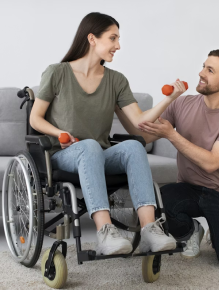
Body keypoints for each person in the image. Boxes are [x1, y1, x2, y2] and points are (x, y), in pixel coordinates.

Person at [30, 12, 186, 255]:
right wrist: (60, 132)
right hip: (64, 154)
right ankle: (105, 233)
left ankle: (150, 230)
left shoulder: (116, 80)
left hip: (99, 154)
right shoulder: (57, 73)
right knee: (90, 146)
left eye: (118, 39)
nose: (118, 46)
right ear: (92, 38)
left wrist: (169, 99)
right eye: (113, 38)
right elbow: (35, 118)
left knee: (134, 146)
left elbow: (138, 123)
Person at [119, 49, 219, 271]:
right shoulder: (183, 104)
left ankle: (217, 233)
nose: (201, 73)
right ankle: (192, 230)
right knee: (155, 203)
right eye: (203, 66)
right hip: (186, 188)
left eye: (210, 70)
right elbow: (146, 135)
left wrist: (172, 134)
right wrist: (120, 105)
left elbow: (211, 163)